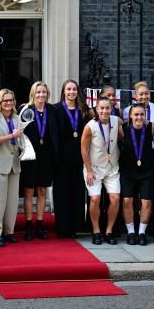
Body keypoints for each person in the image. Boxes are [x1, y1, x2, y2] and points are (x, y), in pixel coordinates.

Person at [81, 97, 122, 245]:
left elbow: (124, 138)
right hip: (94, 168)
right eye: (102, 108)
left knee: (115, 199)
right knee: (95, 199)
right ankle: (96, 231)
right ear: (96, 110)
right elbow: (84, 149)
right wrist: (89, 171)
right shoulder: (90, 126)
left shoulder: (117, 121)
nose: (104, 111)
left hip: (112, 168)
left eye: (107, 108)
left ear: (111, 109)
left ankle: (109, 231)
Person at [54, 79, 92, 238]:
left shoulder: (83, 110)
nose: (71, 92)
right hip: (62, 156)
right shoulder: (56, 109)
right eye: (68, 89)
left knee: (77, 191)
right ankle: (63, 228)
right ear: (63, 91)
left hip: (79, 155)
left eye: (74, 89)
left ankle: (75, 227)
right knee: (62, 192)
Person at [20, 81, 58, 241]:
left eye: (44, 92)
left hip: (46, 156)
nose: (41, 95)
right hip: (30, 156)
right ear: (33, 94)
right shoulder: (26, 110)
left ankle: (40, 225)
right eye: (38, 92)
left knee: (42, 191)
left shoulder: (52, 110)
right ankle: (28, 226)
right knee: (29, 191)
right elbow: (19, 130)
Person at [0, 88, 24, 247]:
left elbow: (21, 139)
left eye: (11, 100)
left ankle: (9, 231)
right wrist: (12, 136)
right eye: (5, 100)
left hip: (14, 164)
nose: (8, 103)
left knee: (12, 201)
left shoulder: (17, 118)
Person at [119, 104, 154, 246]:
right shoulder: (123, 129)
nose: (139, 117)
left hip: (147, 171)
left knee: (146, 202)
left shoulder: (151, 128)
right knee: (127, 201)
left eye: (142, 114)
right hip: (128, 171)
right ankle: (131, 232)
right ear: (130, 115)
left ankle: (141, 232)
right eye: (136, 114)